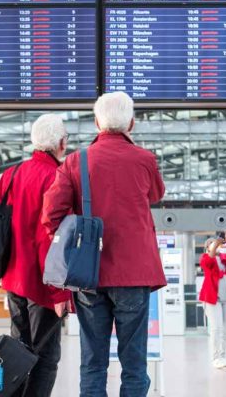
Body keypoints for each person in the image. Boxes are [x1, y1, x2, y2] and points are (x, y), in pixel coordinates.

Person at [42, 92, 167, 397]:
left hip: (90, 276)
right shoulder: (145, 160)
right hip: (134, 276)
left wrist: (72, 244)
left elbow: (50, 214)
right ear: (132, 124)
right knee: (135, 365)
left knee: (93, 363)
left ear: (97, 123)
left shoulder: (75, 162)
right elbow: (156, 195)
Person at [0, 114, 73, 397]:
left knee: (19, 351)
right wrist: (60, 294)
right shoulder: (56, 177)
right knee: (45, 358)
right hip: (42, 286)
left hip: (13, 278)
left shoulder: (10, 175)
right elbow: (49, 239)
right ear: (60, 143)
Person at [198, 232, 226, 369]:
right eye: (213, 244)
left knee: (225, 329)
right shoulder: (205, 258)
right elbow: (207, 262)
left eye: (217, 244)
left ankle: (223, 356)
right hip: (213, 299)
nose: (217, 246)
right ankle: (216, 358)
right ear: (208, 248)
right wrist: (215, 245)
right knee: (216, 328)